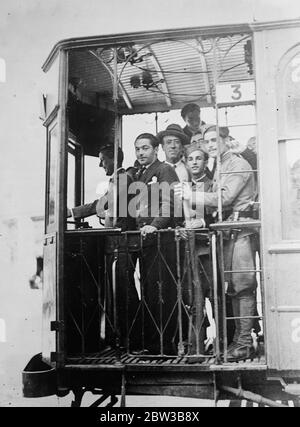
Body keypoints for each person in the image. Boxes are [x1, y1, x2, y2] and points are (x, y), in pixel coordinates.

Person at [175, 125, 258, 361]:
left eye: (214, 140)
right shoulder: (223, 165)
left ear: (226, 140)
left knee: (242, 286)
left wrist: (192, 195)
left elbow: (225, 198)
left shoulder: (237, 164)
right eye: (207, 141)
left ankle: (243, 343)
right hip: (231, 232)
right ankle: (239, 342)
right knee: (234, 289)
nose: (210, 145)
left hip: (240, 232)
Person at [70, 143, 139, 350]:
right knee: (118, 291)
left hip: (120, 243)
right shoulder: (118, 179)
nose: (100, 164)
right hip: (115, 243)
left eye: (102, 159)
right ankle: (122, 338)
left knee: (122, 291)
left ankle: (127, 340)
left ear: (113, 159)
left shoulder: (123, 178)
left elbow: (105, 205)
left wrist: (75, 212)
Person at [133, 133, 182, 354]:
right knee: (150, 292)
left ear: (156, 150)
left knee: (162, 294)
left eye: (145, 148)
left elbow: (170, 203)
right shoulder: (141, 174)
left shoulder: (164, 170)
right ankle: (154, 345)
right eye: (137, 149)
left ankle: (164, 346)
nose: (141, 153)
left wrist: (156, 225)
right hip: (148, 242)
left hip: (162, 240)